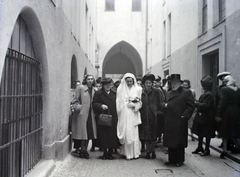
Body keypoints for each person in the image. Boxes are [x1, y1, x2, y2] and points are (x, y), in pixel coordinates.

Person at [161, 74, 195, 167]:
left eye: (176, 83)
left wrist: (184, 116)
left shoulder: (186, 92)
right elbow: (163, 102)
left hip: (179, 121)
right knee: (170, 141)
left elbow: (191, 106)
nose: (174, 85)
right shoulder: (168, 93)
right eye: (172, 83)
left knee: (179, 142)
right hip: (169, 120)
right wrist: (164, 105)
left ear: (180, 83)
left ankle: (180, 160)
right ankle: (171, 159)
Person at [116, 73, 142, 160]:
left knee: (134, 133)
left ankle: (135, 153)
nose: (129, 83)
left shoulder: (138, 89)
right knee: (126, 132)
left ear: (133, 81)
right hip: (125, 114)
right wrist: (125, 105)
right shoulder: (121, 89)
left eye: (131, 81)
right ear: (125, 81)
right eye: (128, 81)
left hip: (133, 114)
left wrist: (134, 105)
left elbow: (140, 102)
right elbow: (118, 102)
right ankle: (127, 153)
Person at [92, 77, 119, 160]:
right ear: (103, 85)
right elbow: (94, 103)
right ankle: (104, 152)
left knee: (111, 135)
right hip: (102, 117)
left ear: (111, 85)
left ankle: (110, 152)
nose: (107, 86)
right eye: (105, 85)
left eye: (109, 84)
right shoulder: (98, 93)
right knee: (103, 135)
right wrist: (101, 106)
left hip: (113, 117)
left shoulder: (115, 93)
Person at [71, 74, 97, 159]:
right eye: (88, 79)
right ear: (85, 80)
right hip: (83, 114)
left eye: (91, 79)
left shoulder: (94, 90)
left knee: (89, 133)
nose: (90, 80)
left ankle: (85, 150)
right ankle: (83, 150)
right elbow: (75, 100)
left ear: (93, 81)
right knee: (83, 134)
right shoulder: (81, 88)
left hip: (91, 114)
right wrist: (80, 108)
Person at [139, 74, 165, 159]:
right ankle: (147, 152)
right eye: (147, 83)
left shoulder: (157, 91)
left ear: (152, 83)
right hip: (144, 116)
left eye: (150, 83)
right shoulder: (141, 93)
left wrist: (158, 112)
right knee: (145, 135)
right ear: (144, 84)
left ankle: (153, 151)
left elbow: (162, 102)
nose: (148, 84)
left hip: (154, 117)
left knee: (153, 135)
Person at [216, 75, 240, 158]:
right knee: (234, 131)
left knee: (225, 132)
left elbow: (222, 102)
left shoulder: (224, 90)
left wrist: (219, 114)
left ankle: (225, 150)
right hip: (236, 112)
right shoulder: (238, 90)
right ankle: (237, 146)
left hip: (227, 113)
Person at [192, 76, 216, 156]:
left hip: (207, 117)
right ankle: (200, 147)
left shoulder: (208, 94)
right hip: (204, 117)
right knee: (201, 133)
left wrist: (196, 103)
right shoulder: (206, 93)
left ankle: (206, 149)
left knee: (206, 134)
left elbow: (206, 105)